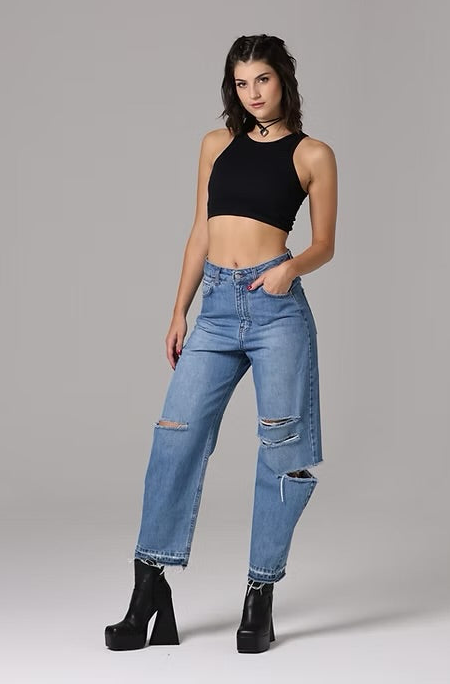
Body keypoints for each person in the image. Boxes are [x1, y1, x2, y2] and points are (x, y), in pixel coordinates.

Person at [105, 33, 338, 654]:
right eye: (241, 82)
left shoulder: (312, 154)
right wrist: (178, 310)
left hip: (276, 310)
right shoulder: (217, 144)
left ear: (283, 80)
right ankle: (148, 592)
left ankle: (260, 595)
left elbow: (325, 243)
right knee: (174, 438)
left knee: (281, 450)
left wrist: (291, 268)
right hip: (213, 309)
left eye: (262, 79)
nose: (252, 93)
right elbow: (199, 231)